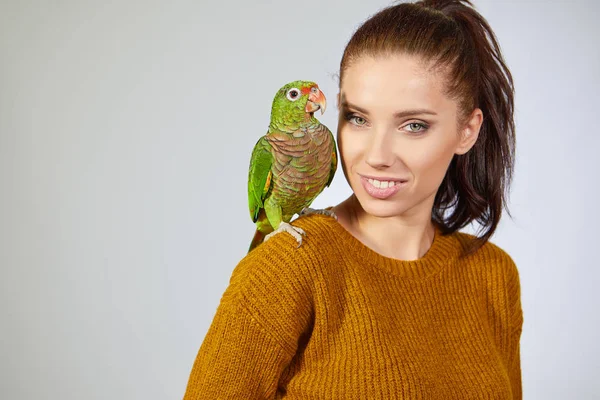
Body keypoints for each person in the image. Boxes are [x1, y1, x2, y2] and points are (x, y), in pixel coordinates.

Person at [183, 0, 523, 398]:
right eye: (358, 118)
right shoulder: (287, 267)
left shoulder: (494, 276)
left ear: (467, 131)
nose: (377, 156)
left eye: (413, 125)